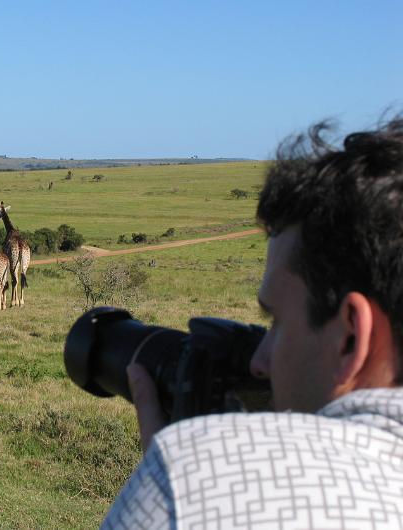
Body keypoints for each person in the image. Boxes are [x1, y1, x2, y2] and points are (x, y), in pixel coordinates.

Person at [101, 116, 403, 529]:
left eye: (277, 321)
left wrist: (184, 472)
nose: (259, 361)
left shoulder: (191, 482)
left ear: (351, 337)